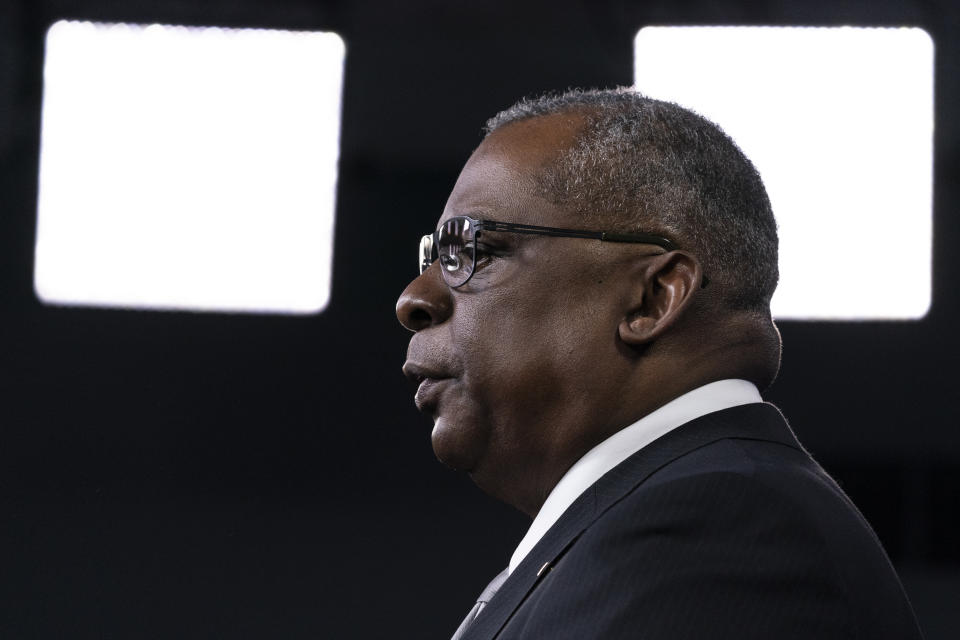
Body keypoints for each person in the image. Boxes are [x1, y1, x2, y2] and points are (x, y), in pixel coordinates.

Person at [395, 88, 923, 640]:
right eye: (433, 256)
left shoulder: (719, 528)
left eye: (473, 250)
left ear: (652, 298)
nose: (413, 298)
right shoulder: (657, 518)